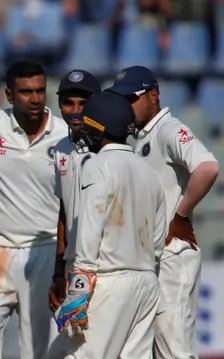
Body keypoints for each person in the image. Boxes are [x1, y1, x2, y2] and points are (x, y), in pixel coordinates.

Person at [106, 65, 220, 359]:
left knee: (174, 350)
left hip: (172, 256)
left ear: (153, 95)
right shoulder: (142, 136)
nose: (126, 106)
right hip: (149, 257)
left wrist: (180, 216)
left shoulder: (169, 129)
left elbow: (208, 167)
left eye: (131, 98)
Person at [0, 60, 68, 359]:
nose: (34, 99)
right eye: (25, 92)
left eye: (39, 91)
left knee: (36, 351)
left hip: (44, 250)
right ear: (9, 95)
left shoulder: (65, 135)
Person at [54, 91, 167, 358]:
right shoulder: (150, 172)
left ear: (99, 128)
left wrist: (78, 293)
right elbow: (158, 239)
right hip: (146, 282)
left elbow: (89, 232)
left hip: (107, 281)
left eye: (88, 124)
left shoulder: (96, 165)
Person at [48, 70, 101, 314]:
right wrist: (59, 271)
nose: (76, 110)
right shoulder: (60, 147)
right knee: (71, 344)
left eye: (83, 103)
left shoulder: (111, 146)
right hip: (72, 264)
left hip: (104, 264)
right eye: (68, 103)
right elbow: (64, 210)